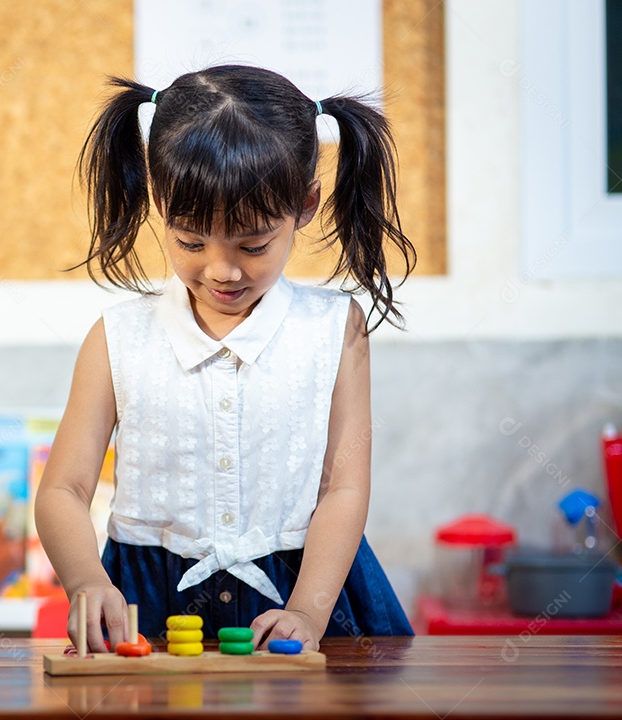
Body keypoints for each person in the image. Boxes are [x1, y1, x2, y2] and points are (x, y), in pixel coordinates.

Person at [34, 64, 416, 653]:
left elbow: (343, 487)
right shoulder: (117, 336)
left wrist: (308, 613)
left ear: (306, 204)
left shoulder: (334, 330)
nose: (222, 269)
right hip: (150, 597)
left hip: (302, 590)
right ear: (160, 203)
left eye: (253, 244)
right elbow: (64, 488)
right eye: (191, 241)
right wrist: (87, 581)